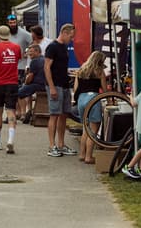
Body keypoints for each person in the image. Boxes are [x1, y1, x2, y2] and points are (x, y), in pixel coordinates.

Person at [0, 25, 22, 154]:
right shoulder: (16, 47)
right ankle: (11, 140)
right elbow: (18, 61)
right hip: (12, 83)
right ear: (9, 35)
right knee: (11, 111)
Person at [44, 24, 76, 157]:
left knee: (64, 114)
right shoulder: (52, 47)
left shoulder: (64, 47)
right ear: (64, 33)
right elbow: (47, 67)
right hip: (55, 85)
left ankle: (61, 144)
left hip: (64, 84)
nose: (71, 39)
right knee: (54, 115)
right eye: (71, 36)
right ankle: (52, 146)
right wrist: (51, 87)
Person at [73, 51, 109, 165]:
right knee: (93, 130)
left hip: (81, 99)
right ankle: (89, 156)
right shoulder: (100, 71)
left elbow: (75, 89)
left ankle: (82, 154)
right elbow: (104, 90)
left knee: (85, 128)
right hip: (93, 99)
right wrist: (109, 101)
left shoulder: (81, 70)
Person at [17, 44, 47, 124]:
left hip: (38, 85)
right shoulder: (44, 59)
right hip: (45, 85)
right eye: (28, 52)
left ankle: (23, 113)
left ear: (37, 51)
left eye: (31, 52)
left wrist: (25, 83)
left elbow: (30, 77)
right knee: (27, 90)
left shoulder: (34, 61)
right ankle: (29, 111)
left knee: (17, 93)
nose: (29, 54)